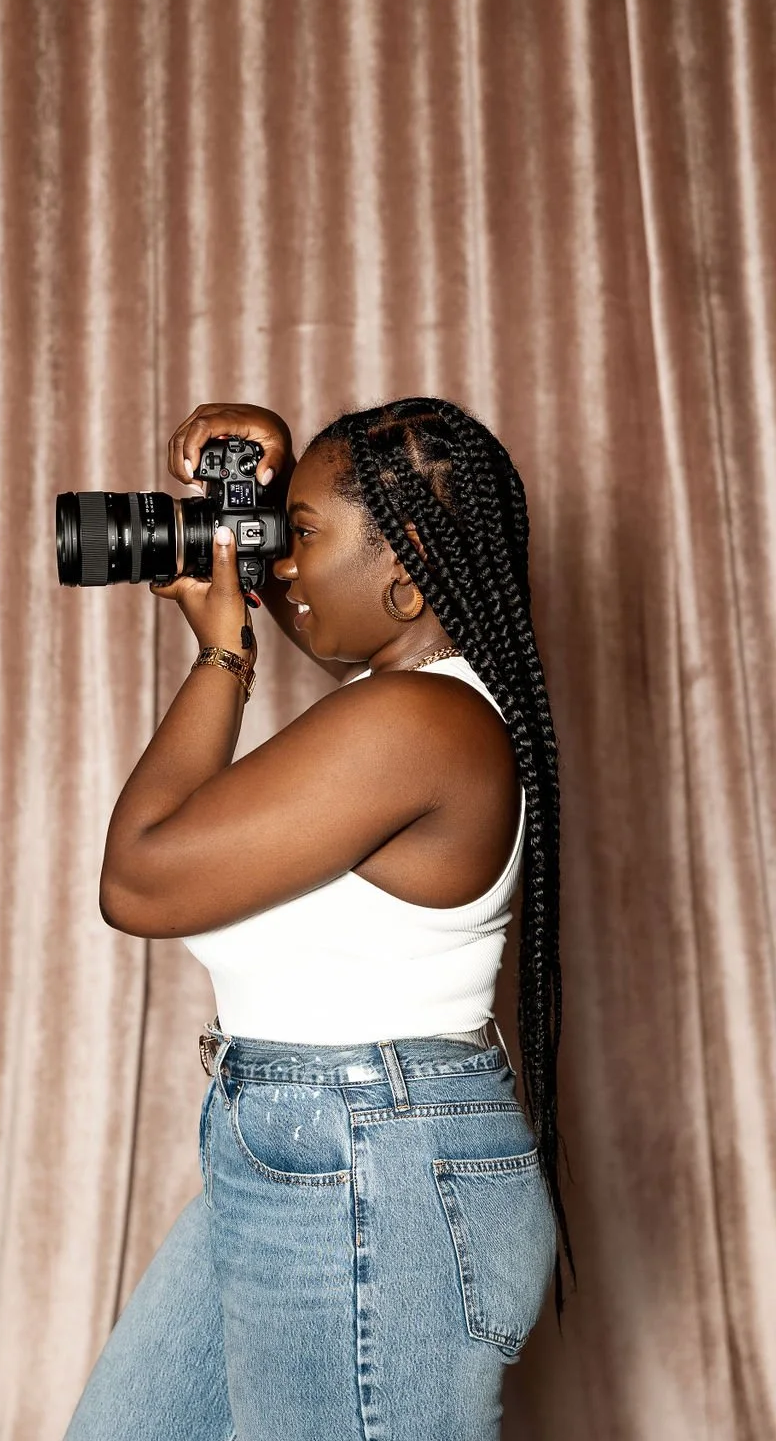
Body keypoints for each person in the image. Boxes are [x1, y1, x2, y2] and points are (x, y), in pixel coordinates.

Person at [63, 397, 576, 1441]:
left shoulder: (413, 722)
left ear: (409, 562)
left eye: (298, 538)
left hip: (371, 1164)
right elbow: (344, 596)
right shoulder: (407, 704)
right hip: (308, 1147)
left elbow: (142, 880)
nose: (275, 568)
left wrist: (222, 655)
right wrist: (265, 477)